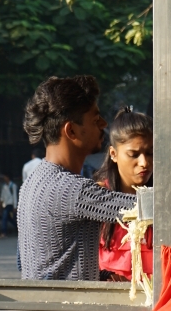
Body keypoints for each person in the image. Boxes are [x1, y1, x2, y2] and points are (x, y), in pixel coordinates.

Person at [17, 76, 139, 282]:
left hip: (43, 306)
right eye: (95, 119)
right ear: (71, 130)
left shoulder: (32, 183)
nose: (104, 124)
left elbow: (31, 262)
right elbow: (146, 209)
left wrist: (101, 275)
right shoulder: (73, 190)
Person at [94, 107, 154, 280]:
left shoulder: (163, 198)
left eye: (149, 153)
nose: (144, 162)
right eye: (133, 154)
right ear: (113, 154)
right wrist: (106, 276)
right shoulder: (97, 196)